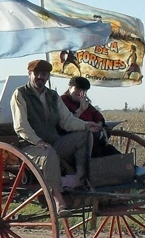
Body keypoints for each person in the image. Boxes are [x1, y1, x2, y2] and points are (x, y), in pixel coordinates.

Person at [11, 59, 103, 191]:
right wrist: (38, 141)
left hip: (54, 143)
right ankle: (57, 199)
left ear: (48, 77)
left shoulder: (53, 95)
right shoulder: (20, 94)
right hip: (30, 146)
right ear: (29, 74)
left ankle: (79, 178)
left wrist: (87, 125)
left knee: (85, 135)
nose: (40, 77)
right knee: (49, 153)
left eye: (44, 74)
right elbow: (21, 125)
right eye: (37, 73)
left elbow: (67, 121)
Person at [60, 76, 119, 157]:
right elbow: (68, 123)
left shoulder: (85, 102)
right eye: (77, 89)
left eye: (83, 91)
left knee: (111, 151)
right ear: (70, 87)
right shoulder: (62, 102)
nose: (80, 93)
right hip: (76, 142)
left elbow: (97, 115)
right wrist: (81, 109)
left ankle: (133, 168)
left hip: (94, 140)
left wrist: (99, 124)